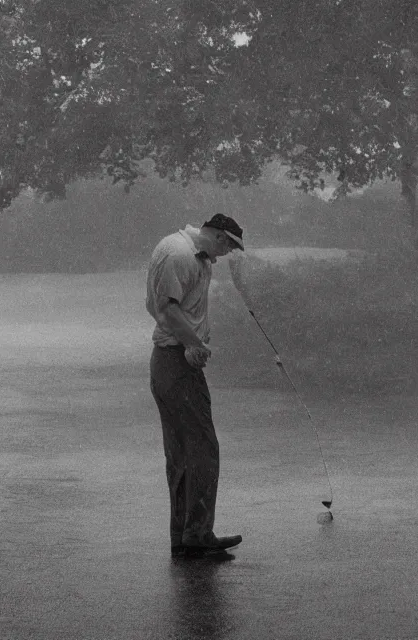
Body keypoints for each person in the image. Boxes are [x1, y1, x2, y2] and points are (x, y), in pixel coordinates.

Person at [146, 213, 246, 558]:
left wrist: (192, 338)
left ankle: (185, 534)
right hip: (176, 360)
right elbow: (166, 309)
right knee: (202, 448)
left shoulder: (194, 257)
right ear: (218, 236)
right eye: (229, 246)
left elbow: (170, 308)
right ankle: (198, 532)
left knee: (182, 452)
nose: (227, 254)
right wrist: (192, 343)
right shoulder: (179, 254)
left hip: (169, 360)